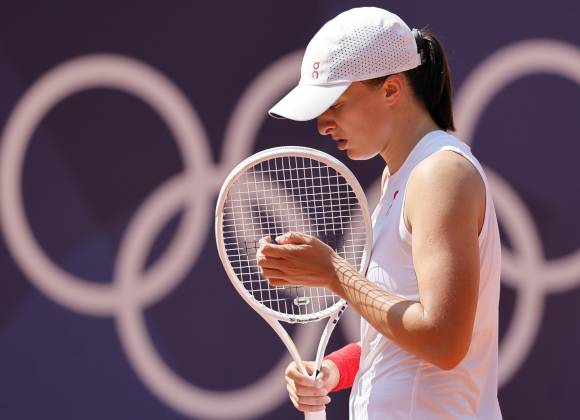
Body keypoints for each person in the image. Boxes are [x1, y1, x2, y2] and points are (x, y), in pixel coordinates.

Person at [257, 6, 502, 420]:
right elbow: (400, 339)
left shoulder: (440, 174)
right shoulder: (401, 179)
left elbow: (444, 341)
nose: (323, 124)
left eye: (334, 103)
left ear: (391, 90)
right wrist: (336, 370)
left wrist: (333, 272)